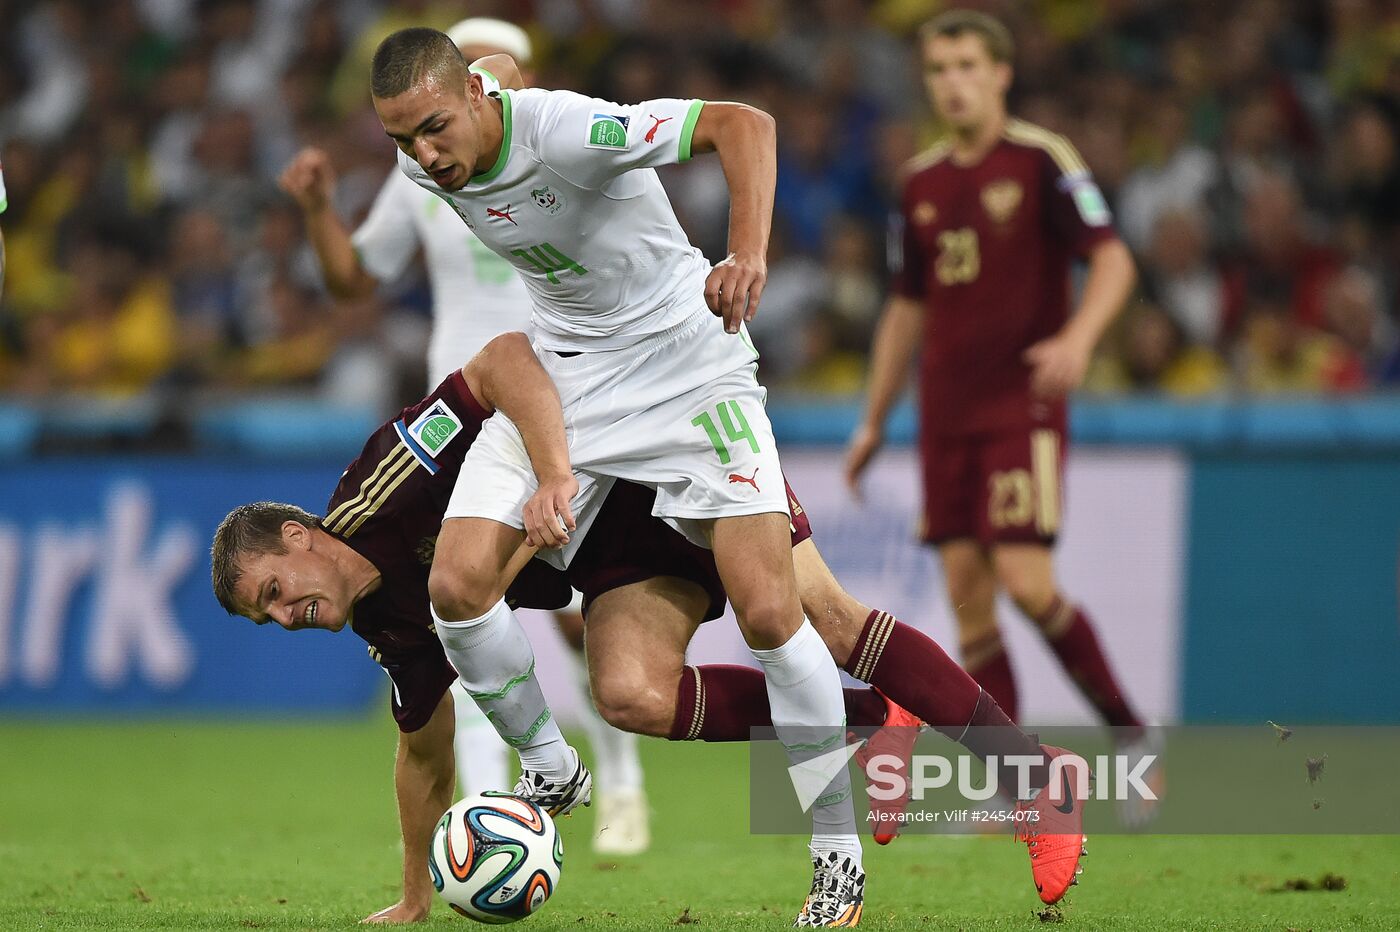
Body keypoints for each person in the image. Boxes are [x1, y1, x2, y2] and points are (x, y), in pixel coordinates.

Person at [212, 337, 1089, 923]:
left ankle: (1038, 783)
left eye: (278, 592)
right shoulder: (385, 621)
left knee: (820, 617)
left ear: (300, 536)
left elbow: (503, 361)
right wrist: (413, 894)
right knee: (628, 693)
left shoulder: (387, 479)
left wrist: (553, 469)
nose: (290, 619)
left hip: (660, 445)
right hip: (612, 556)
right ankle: (869, 725)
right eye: (271, 619)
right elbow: (425, 751)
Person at [366, 28, 861, 923]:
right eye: (403, 141)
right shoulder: (428, 159)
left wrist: (746, 253)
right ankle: (553, 767)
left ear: (473, 100)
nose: (425, 156)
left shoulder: (565, 130)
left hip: (688, 365)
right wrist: (475, 91)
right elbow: (497, 73)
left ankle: (837, 852)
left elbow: (743, 123)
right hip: (571, 378)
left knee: (769, 611)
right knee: (456, 584)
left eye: (434, 128)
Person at [277, 17, 650, 856]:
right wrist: (317, 210)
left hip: (560, 393)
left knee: (575, 613)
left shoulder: (554, 146)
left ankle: (621, 781)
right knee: (464, 611)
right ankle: (492, 806)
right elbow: (352, 277)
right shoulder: (420, 173)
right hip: (460, 417)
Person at [846, 10, 1157, 824]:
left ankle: (1131, 736)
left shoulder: (1043, 160)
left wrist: (1080, 338)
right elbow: (905, 310)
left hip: (1021, 406)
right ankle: (1023, 784)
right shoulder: (918, 185)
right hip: (944, 414)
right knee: (968, 597)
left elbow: (1115, 258)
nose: (952, 80)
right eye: (939, 67)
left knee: (1026, 581)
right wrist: (874, 418)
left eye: (966, 65)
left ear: (1000, 74)